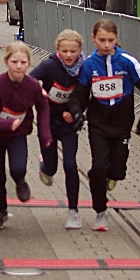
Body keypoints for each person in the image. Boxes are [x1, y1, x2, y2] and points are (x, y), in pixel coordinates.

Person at [74, 20, 140, 232]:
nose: (106, 45)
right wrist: (76, 113)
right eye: (102, 40)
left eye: (110, 40)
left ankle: (112, 175)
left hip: (122, 124)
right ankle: (100, 210)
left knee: (117, 170)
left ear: (116, 39)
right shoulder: (89, 65)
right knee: (99, 167)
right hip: (98, 124)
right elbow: (80, 96)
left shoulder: (127, 62)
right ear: (93, 38)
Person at [0, 41, 52, 230]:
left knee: (18, 168)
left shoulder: (33, 86)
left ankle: (20, 181)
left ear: (29, 64)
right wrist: (7, 123)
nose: (19, 66)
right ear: (6, 62)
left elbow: (43, 107)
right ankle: (1, 210)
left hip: (17, 135)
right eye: (14, 62)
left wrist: (45, 134)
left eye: (23, 62)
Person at [31, 29, 87, 229]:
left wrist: (76, 112)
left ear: (80, 50)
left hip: (68, 123)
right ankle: (44, 164)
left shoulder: (84, 68)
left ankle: (73, 211)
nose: (69, 55)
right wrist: (40, 91)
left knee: (70, 165)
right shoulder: (49, 65)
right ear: (57, 50)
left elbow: (86, 93)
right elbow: (30, 80)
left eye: (73, 51)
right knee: (52, 167)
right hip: (47, 120)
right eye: (65, 51)